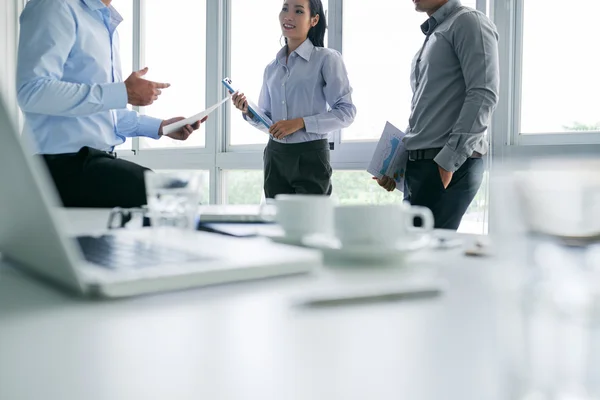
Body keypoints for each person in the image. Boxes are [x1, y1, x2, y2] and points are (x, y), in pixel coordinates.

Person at [16, 0, 207, 208]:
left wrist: (162, 126)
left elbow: (104, 114)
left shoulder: (104, 25)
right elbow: (32, 92)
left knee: (173, 195)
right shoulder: (55, 6)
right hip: (54, 165)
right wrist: (123, 92)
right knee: (162, 195)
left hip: (93, 162)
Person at [375, 0, 499, 230]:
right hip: (420, 168)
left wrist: (449, 162)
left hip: (446, 164)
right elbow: (425, 110)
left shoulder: (469, 22)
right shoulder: (435, 34)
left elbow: (483, 94)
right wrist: (397, 164)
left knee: (430, 257)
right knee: (414, 255)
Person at [231, 0, 356, 198]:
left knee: (311, 225)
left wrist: (300, 123)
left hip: (310, 155)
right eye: (285, 9)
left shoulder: (326, 59)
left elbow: (346, 112)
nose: (288, 16)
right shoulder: (271, 68)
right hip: (275, 156)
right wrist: (248, 111)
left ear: (314, 20)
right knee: (277, 226)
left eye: (298, 11)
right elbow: (270, 122)